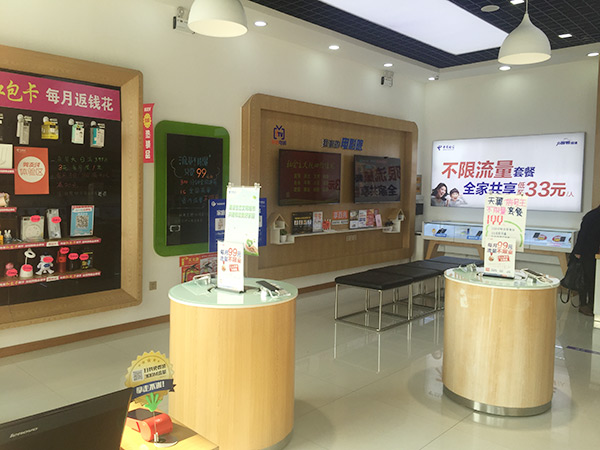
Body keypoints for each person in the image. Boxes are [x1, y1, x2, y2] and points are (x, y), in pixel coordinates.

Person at [572, 204, 600, 316]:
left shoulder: (592, 215)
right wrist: (578, 252)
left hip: (593, 253)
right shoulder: (592, 216)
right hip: (586, 253)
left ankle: (591, 304)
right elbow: (582, 235)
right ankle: (584, 305)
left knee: (592, 279)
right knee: (585, 279)